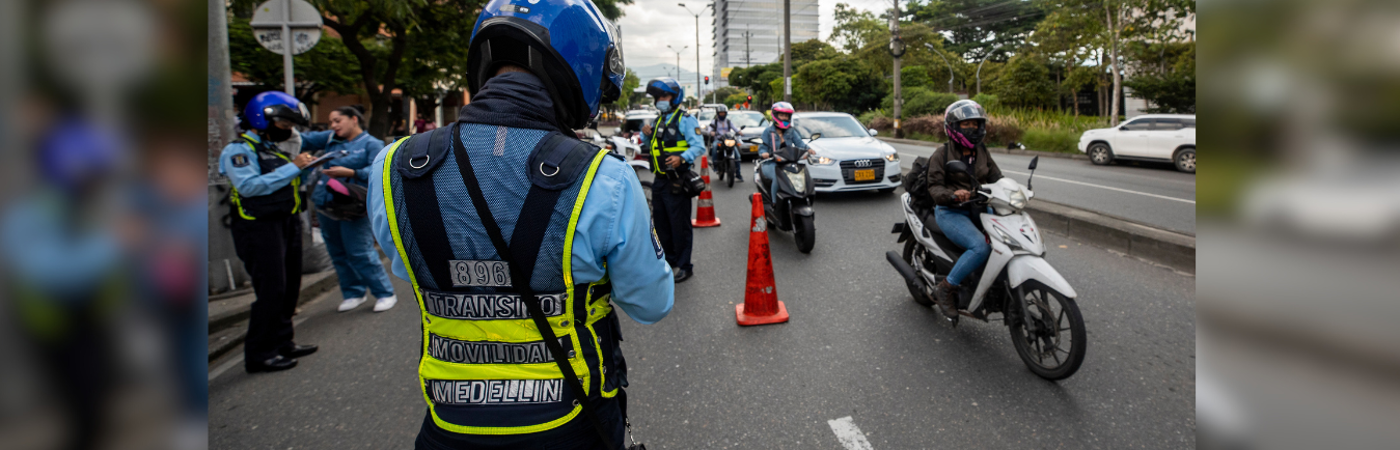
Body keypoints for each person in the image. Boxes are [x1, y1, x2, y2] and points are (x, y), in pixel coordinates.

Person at [365, 1, 674, 448]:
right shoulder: (603, 178)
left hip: (449, 424)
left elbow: (405, 264)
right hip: (572, 421)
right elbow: (651, 303)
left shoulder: (393, 167)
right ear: (583, 66)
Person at [218, 91, 320, 373]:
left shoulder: (272, 148)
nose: (288, 130)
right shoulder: (239, 150)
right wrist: (293, 168)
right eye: (285, 125)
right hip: (257, 227)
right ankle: (260, 354)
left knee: (289, 286)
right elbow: (249, 186)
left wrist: (304, 166)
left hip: (284, 222)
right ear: (261, 120)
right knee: (271, 290)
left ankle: (283, 342)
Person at [301, 106, 398, 313]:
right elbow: (303, 140)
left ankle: (384, 292)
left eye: (338, 120)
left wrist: (352, 172)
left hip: (353, 207)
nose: (333, 126)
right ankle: (353, 293)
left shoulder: (371, 143)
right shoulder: (330, 139)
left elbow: (379, 170)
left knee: (359, 252)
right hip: (325, 205)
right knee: (337, 253)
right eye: (331, 122)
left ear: (354, 119)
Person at [924, 99, 1002, 318]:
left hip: (979, 208)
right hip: (951, 211)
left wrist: (1013, 191)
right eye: (966, 124)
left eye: (975, 124)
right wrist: (952, 195)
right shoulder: (942, 154)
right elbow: (934, 187)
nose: (972, 128)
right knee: (980, 247)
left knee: (1006, 242)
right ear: (953, 127)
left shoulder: (982, 151)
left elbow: (997, 178)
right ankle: (945, 288)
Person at [640, 78, 705, 283]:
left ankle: (685, 266)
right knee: (661, 224)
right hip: (659, 180)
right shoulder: (659, 120)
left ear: (675, 97)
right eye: (658, 97)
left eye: (665, 96)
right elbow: (652, 144)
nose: (660, 100)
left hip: (678, 180)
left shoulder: (686, 119)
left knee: (680, 226)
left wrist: (682, 158)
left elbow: (699, 146)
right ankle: (669, 261)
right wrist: (645, 134)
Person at [757, 102, 809, 198]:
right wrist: (764, 153)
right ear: (775, 115)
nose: (784, 118)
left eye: (786, 115)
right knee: (778, 178)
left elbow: (799, 143)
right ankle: (774, 202)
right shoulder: (768, 132)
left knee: (802, 175)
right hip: (771, 163)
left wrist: (809, 150)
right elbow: (762, 147)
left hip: (788, 162)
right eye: (781, 115)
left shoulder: (791, 131)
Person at [706, 109, 742, 181]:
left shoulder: (728, 121)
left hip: (728, 140)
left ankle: (738, 174)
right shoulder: (714, 121)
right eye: (721, 113)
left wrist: (739, 132)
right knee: (714, 146)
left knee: (737, 156)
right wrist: (711, 132)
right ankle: (715, 165)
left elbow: (735, 129)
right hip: (719, 140)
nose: (722, 114)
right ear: (718, 113)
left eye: (723, 113)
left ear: (725, 113)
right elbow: (709, 129)